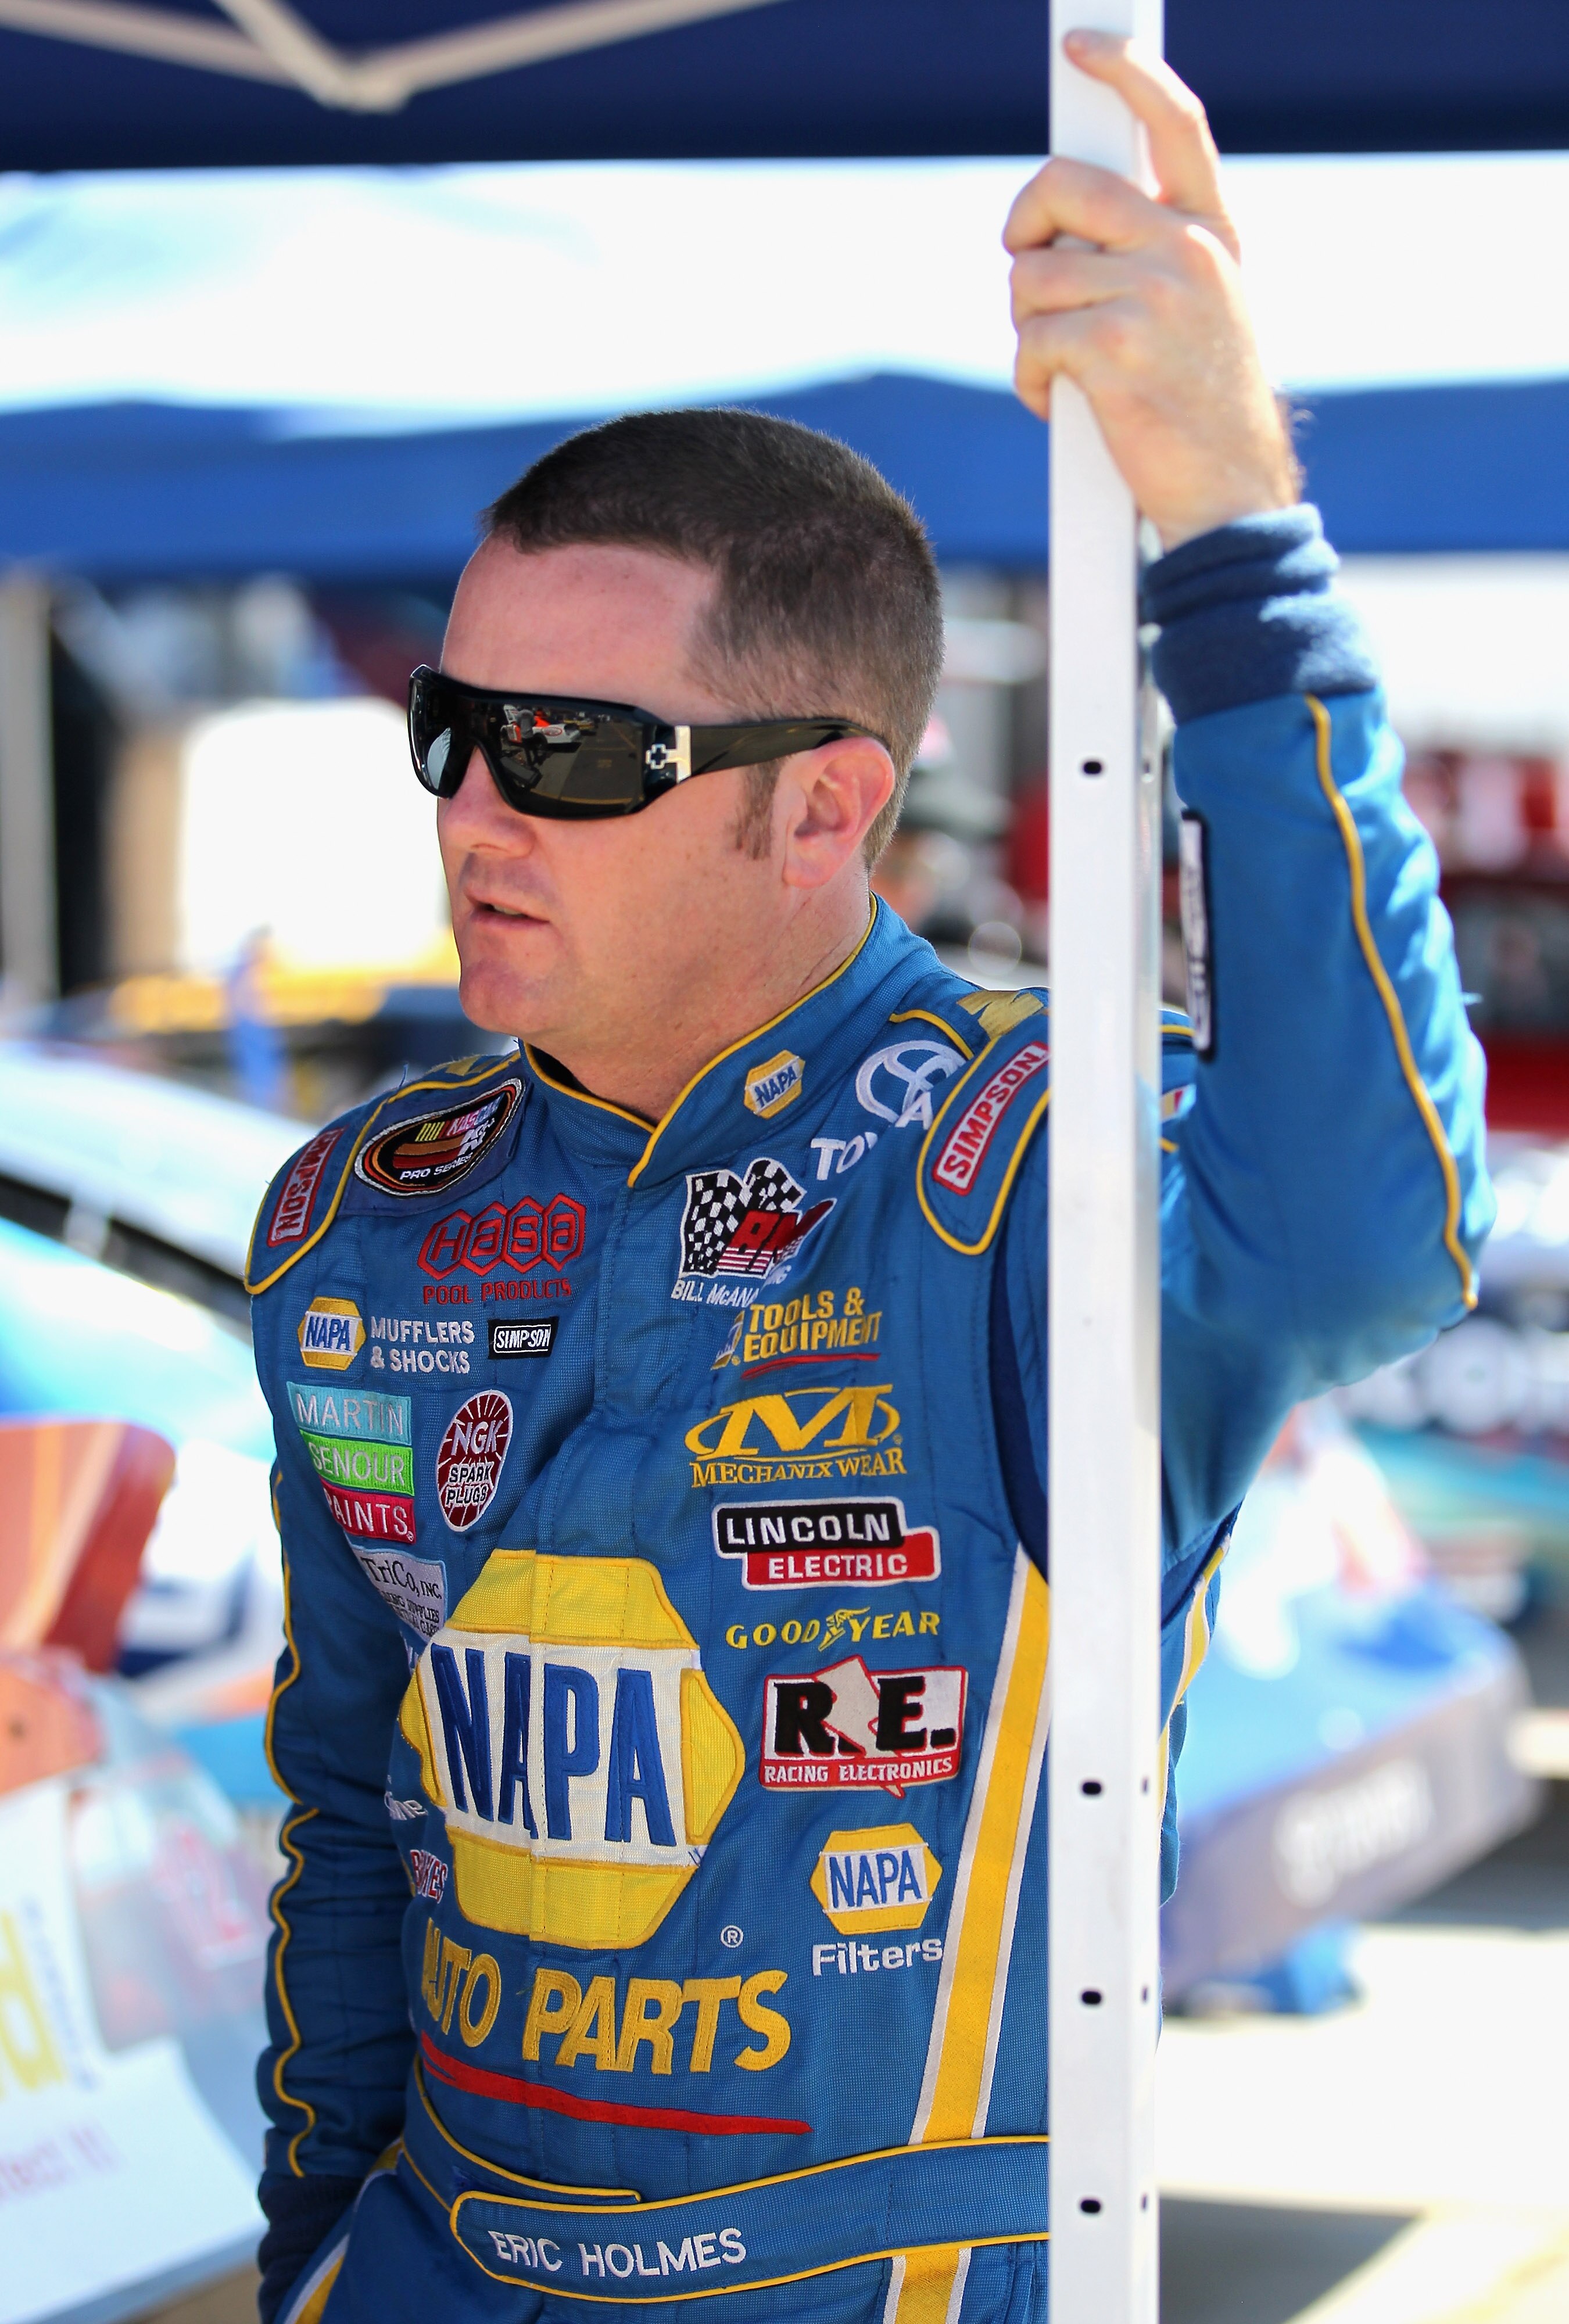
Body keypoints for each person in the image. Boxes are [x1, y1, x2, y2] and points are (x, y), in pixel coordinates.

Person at [245, 37, 1491, 2324]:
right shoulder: (356, 1218)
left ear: (824, 808)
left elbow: (1372, 1225)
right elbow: (351, 1817)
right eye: (454, 726)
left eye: (572, 751)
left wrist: (1229, 528)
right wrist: (315, 2246)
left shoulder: (1018, 1166)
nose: (476, 812)